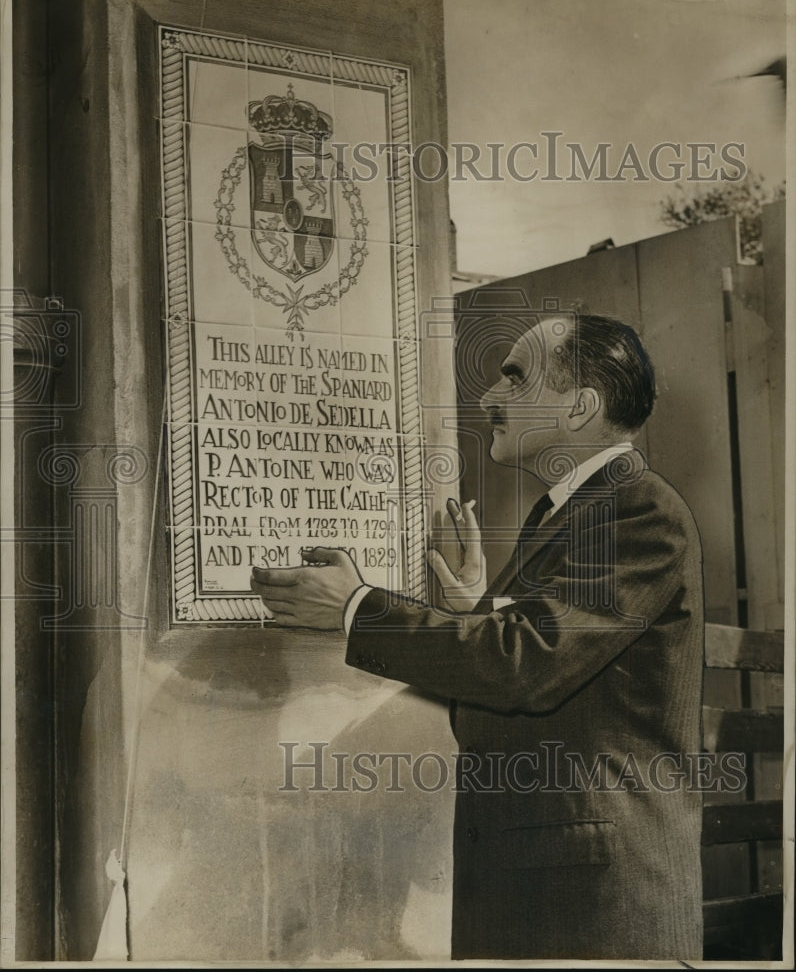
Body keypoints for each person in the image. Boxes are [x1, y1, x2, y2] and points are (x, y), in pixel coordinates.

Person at [251, 313, 705, 961]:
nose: (489, 397)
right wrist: (478, 611)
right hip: (543, 878)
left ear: (579, 408)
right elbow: (535, 671)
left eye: (514, 378)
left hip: (593, 902)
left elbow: (525, 665)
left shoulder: (637, 508)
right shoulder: (567, 510)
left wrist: (355, 609)